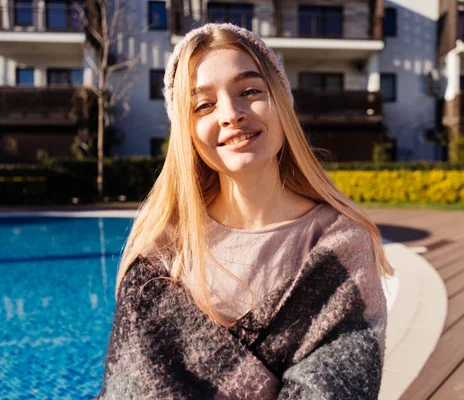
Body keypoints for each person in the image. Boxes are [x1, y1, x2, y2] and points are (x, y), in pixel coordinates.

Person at [96, 23, 393, 400]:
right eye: (203, 104)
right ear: (186, 131)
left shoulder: (341, 247)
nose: (231, 114)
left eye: (249, 91)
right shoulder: (162, 256)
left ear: (280, 103)